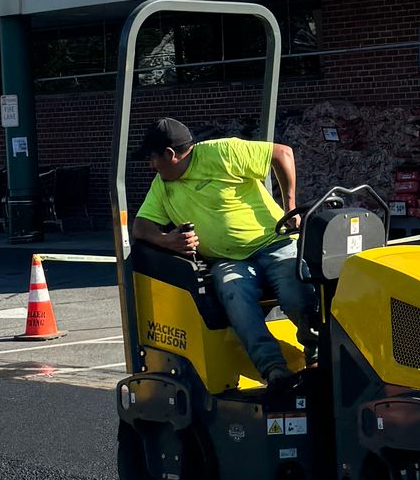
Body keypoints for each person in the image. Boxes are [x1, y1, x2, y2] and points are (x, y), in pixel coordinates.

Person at [131, 115, 310, 387]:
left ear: (171, 154)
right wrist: (168, 240)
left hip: (273, 242)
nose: (151, 165)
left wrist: (290, 208)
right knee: (234, 295)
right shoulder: (162, 186)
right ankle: (275, 370)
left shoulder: (222, 152)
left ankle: (318, 356)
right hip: (227, 260)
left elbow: (282, 153)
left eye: (154, 158)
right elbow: (141, 226)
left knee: (295, 291)